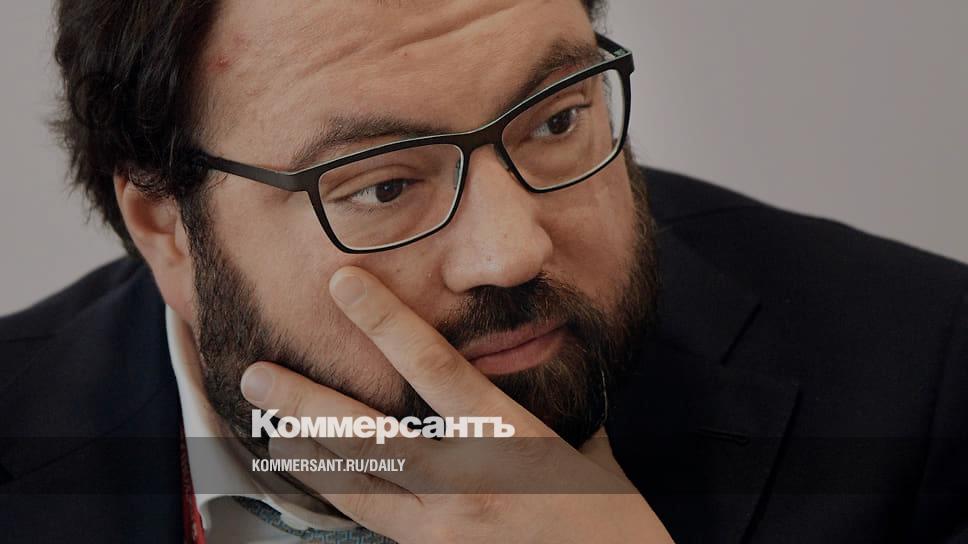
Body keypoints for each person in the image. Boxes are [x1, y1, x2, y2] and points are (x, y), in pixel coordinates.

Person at [1, 1, 965, 542]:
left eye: (556, 120)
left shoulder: (926, 372)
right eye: (383, 185)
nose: (512, 251)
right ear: (166, 227)